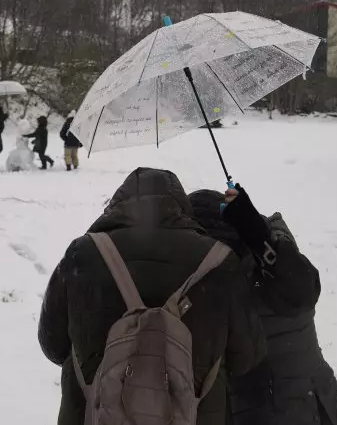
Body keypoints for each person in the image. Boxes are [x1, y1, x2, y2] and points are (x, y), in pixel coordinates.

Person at [38, 168, 267, 425]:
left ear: (116, 206)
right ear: (181, 208)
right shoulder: (220, 262)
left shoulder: (83, 254)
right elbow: (247, 356)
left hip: (91, 414)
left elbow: (53, 345)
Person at [187, 187, 337, 425]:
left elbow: (303, 289)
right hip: (319, 408)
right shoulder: (272, 250)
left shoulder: (245, 271)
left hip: (290, 409)